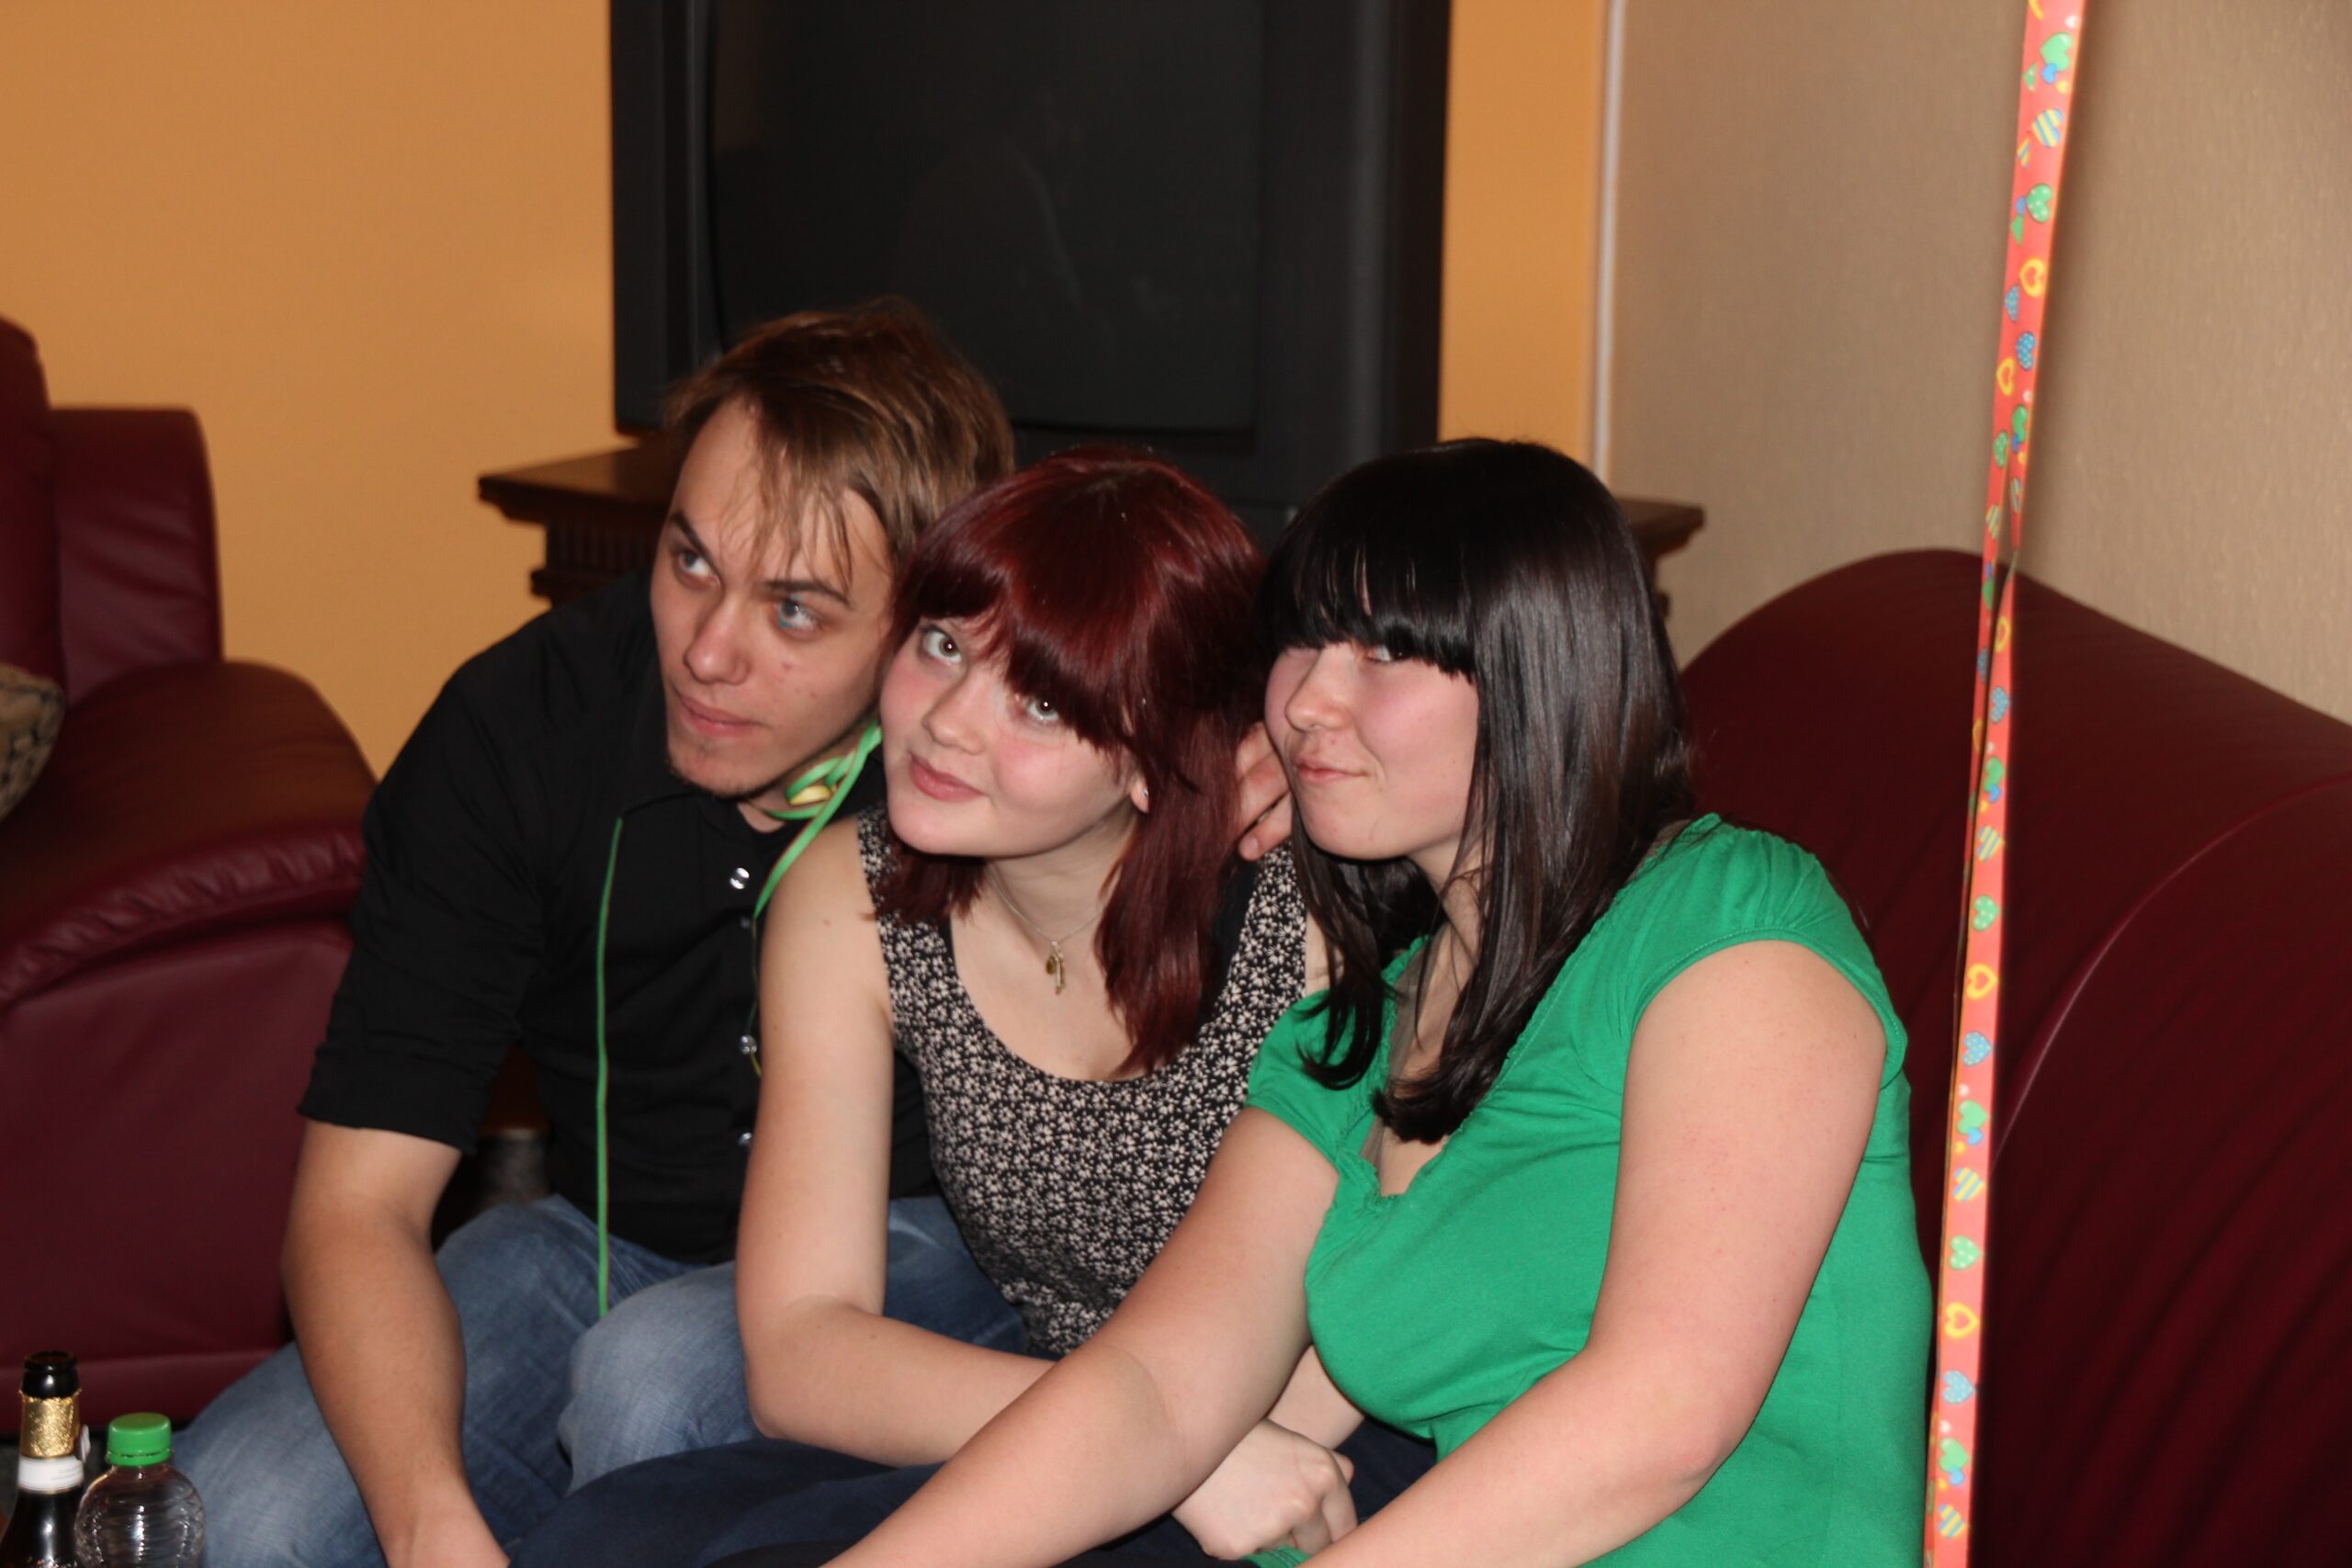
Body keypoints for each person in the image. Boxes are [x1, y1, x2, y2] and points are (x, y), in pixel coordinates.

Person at [174, 304, 1294, 1568]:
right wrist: (427, 1521)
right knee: (233, 1515)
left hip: (928, 1247)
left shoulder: (970, 757)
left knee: (654, 1385)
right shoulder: (516, 733)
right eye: (688, 561)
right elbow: (358, 1205)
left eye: (796, 611)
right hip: (595, 1240)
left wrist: (1268, 755)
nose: (707, 652)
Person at [746, 439, 1932, 1568]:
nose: (1306, 700)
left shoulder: (1726, 921)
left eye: (1379, 654)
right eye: (1304, 642)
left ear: (1538, 675)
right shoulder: (1353, 1033)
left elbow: (1658, 1413)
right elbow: (1151, 1390)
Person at [512, 450, 1433, 1568]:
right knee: (608, 1538)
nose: (947, 722)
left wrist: (1191, 1453)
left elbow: (1402, 1296)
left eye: (1038, 702)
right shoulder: (851, 900)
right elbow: (800, 1348)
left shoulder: (1311, 926)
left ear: (1153, 758)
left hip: (1329, 1431)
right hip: (1096, 1414)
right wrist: (1146, 1449)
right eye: (942, 645)